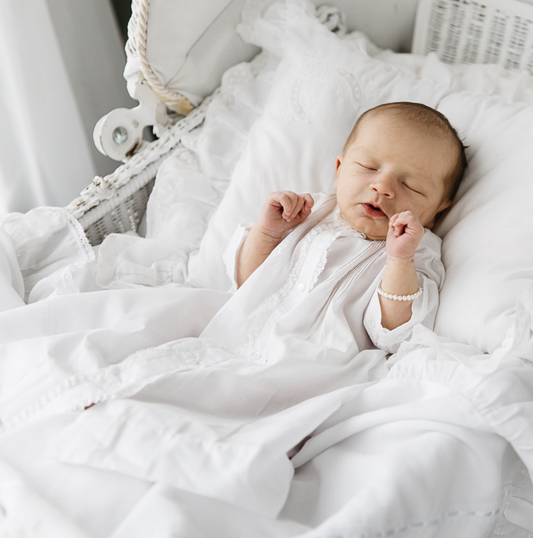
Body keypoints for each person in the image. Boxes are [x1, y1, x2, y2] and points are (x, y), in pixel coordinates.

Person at [213, 102, 466, 360]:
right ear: (339, 170)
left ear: (437, 213)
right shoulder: (308, 212)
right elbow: (246, 283)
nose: (382, 186)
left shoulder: (417, 250)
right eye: (369, 166)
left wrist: (400, 261)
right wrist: (267, 232)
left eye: (411, 186)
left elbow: (396, 335)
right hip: (232, 336)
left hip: (314, 366)